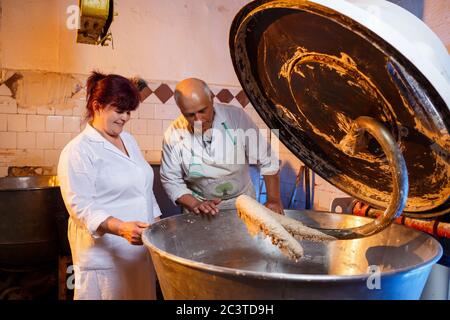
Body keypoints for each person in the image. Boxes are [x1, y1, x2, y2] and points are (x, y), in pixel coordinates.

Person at [57, 71, 162, 300]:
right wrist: (121, 227)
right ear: (97, 106)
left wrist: (159, 227)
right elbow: (81, 207)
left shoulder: (129, 141)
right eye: (119, 110)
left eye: (128, 112)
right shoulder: (79, 150)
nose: (124, 118)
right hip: (105, 259)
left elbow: (143, 187)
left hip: (138, 254)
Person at [160, 78, 283, 215]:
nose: (198, 119)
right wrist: (195, 203)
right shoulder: (173, 135)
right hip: (199, 208)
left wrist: (273, 199)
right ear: (181, 111)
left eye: (202, 111)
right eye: (190, 115)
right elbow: (171, 180)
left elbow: (266, 158)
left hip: (243, 201)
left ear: (212, 99)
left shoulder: (236, 117)